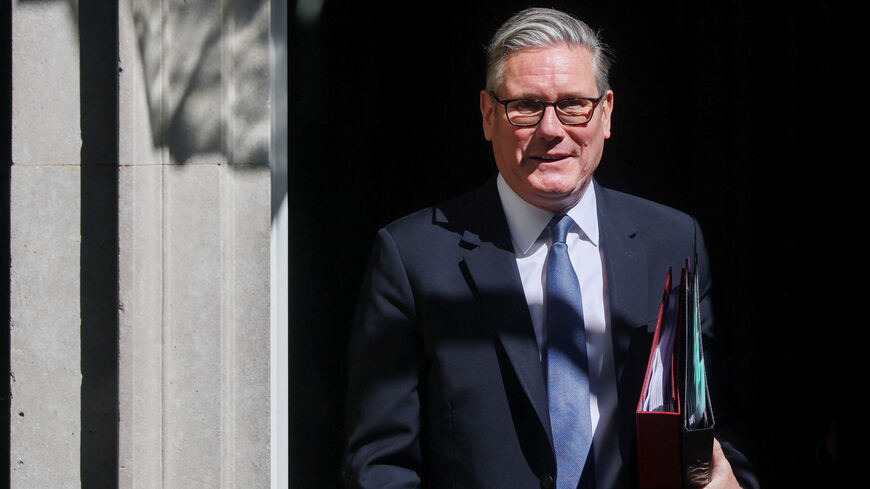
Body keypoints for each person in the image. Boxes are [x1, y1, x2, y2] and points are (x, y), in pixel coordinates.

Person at [343, 7, 757, 489]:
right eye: (526, 106)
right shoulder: (413, 256)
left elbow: (718, 422)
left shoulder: (671, 240)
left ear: (606, 114)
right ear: (486, 115)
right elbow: (380, 462)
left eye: (573, 104)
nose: (551, 129)